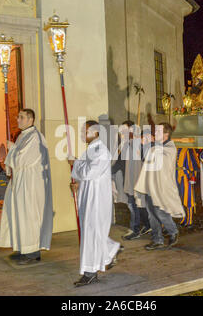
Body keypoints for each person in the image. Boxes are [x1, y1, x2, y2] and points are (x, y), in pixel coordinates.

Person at [69, 120, 123, 287]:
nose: (81, 134)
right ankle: (111, 250)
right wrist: (76, 183)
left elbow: (90, 171)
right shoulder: (91, 150)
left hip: (97, 200)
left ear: (95, 132)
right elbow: (85, 174)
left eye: (84, 131)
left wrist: (75, 163)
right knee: (92, 233)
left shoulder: (101, 151)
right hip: (89, 197)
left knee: (92, 234)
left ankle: (90, 272)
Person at [0, 109, 54, 265]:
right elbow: (16, 159)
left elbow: (22, 160)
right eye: (17, 117)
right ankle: (22, 248)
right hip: (20, 182)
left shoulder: (35, 137)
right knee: (18, 214)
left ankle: (32, 253)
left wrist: (13, 149)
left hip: (30, 184)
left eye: (21, 117)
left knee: (28, 216)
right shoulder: (23, 135)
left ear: (30, 119)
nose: (18, 120)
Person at [135, 122, 185, 250]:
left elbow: (160, 159)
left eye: (157, 132)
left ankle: (173, 231)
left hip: (162, 185)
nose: (154, 134)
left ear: (166, 134)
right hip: (150, 184)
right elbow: (144, 158)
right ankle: (157, 240)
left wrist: (151, 145)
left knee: (160, 211)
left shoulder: (170, 148)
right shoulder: (154, 147)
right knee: (151, 213)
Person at [121, 121, 151, 240]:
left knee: (135, 206)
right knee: (135, 206)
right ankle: (147, 225)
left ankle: (135, 229)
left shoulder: (140, 143)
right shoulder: (127, 144)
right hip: (130, 180)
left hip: (138, 181)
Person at [176, 147, 199, 228]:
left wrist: (192, 176)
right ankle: (183, 218)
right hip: (175, 175)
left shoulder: (187, 148)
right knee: (179, 198)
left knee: (188, 198)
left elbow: (193, 162)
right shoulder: (173, 147)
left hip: (185, 176)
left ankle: (190, 220)